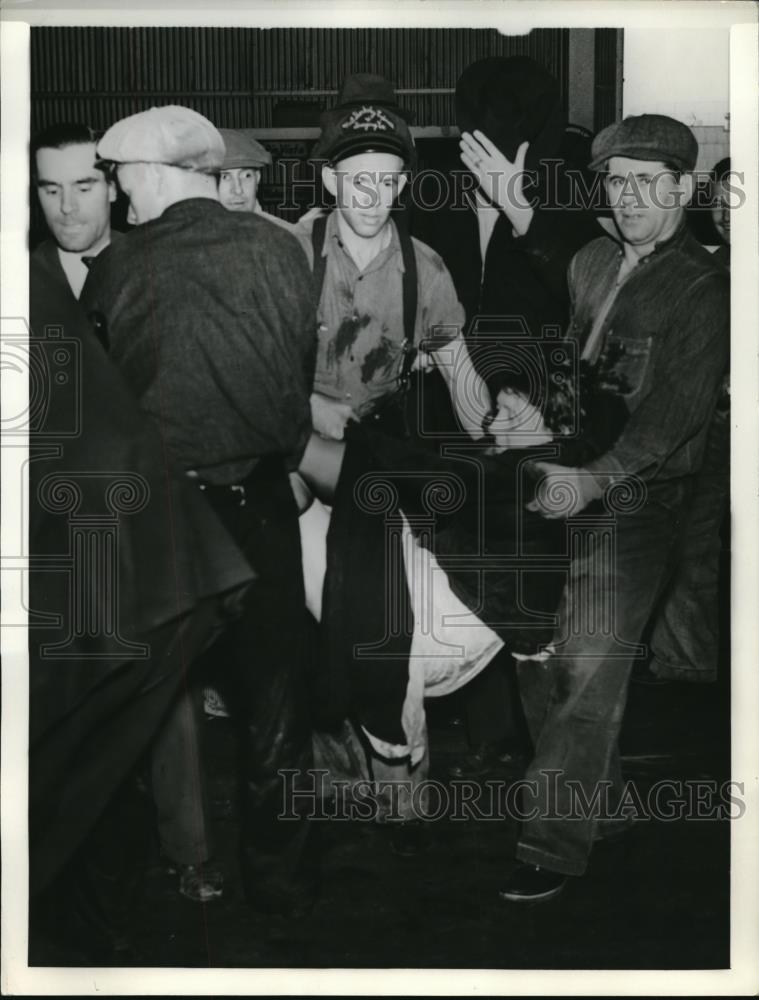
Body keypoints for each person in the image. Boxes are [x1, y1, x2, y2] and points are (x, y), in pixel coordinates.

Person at [82, 104, 319, 915]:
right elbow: (296, 387)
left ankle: (109, 904)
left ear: (150, 176)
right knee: (276, 711)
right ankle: (283, 896)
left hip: (165, 517)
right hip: (261, 502)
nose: (117, 201)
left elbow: (103, 403)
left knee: (128, 711)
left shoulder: (122, 267)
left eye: (118, 182)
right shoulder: (282, 249)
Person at [496, 114, 729, 902]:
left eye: (646, 183)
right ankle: (603, 809)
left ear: (682, 189)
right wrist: (528, 416)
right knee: (538, 650)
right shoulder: (592, 261)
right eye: (616, 182)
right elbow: (568, 367)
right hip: (565, 478)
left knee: (589, 666)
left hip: (637, 501)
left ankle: (550, 844)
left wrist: (591, 481)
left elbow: (674, 419)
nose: (627, 198)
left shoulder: (705, 290)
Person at [27, 256, 253, 961]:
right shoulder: (32, 274)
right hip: (138, 566)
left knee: (67, 772)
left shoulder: (103, 273)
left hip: (114, 568)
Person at [414, 57, 603, 780]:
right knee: (459, 560)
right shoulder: (435, 200)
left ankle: (540, 740)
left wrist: (523, 210)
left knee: (533, 570)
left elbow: (585, 305)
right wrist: (440, 364)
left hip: (539, 417)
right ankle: (489, 731)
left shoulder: (569, 205)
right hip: (448, 414)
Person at [295, 72, 491, 445]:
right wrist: (309, 407)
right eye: (359, 183)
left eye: (386, 183)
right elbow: (242, 367)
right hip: (296, 444)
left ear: (401, 185)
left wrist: (493, 436)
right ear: (331, 181)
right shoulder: (291, 254)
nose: (374, 200)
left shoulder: (425, 270)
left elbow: (459, 375)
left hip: (380, 444)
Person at [643, 156, 731, 683]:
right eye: (720, 200)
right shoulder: (705, 270)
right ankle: (684, 667)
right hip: (715, 428)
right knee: (690, 547)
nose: (728, 211)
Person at [31, 123, 117, 300]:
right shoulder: (16, 278)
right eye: (52, 191)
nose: (67, 206)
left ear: (112, 188)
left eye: (83, 189)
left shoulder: (155, 264)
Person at [217, 127, 296, 230]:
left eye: (247, 175)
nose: (238, 190)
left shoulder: (285, 237)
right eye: (225, 177)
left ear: (257, 178)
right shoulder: (193, 240)